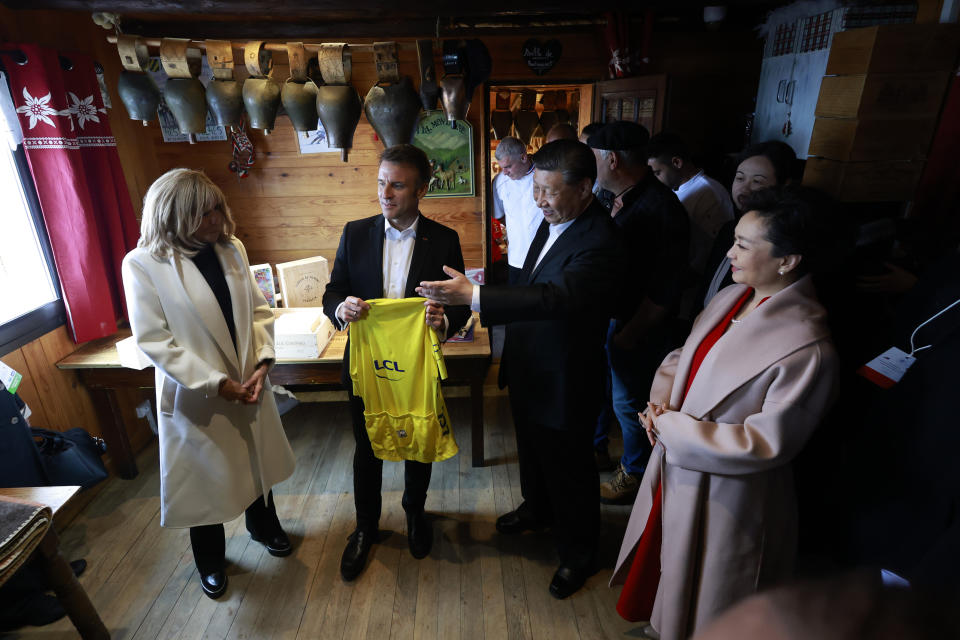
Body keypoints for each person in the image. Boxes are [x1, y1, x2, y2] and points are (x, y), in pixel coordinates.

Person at [611, 186, 839, 640]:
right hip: (681, 459)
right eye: (733, 239)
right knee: (669, 563)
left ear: (788, 261)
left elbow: (765, 442)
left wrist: (672, 426)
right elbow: (686, 356)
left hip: (728, 488)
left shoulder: (808, 346)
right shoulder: (733, 297)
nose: (729, 252)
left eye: (743, 245)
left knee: (711, 586)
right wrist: (660, 405)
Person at [417, 139, 622, 599]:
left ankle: (578, 552)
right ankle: (537, 509)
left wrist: (474, 297)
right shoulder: (557, 221)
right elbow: (528, 281)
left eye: (549, 191)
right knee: (532, 448)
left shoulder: (601, 239)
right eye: (536, 190)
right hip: (531, 362)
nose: (539, 201)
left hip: (566, 374)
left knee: (569, 466)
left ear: (586, 188)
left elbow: (556, 298)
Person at [121, 168, 296, 600]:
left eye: (218, 207)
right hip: (195, 395)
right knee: (205, 482)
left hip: (248, 382)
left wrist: (262, 362)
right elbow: (154, 340)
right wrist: (218, 384)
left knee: (254, 464)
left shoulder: (230, 248)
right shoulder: (143, 265)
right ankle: (211, 559)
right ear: (173, 215)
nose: (217, 219)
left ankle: (263, 525)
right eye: (203, 213)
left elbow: (258, 312)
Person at [322, 144, 470, 582]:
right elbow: (333, 290)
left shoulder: (444, 240)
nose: (385, 192)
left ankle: (414, 513)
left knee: (418, 437)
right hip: (365, 362)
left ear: (422, 189)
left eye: (398, 184)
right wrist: (340, 309)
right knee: (366, 445)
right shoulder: (354, 232)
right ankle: (365, 527)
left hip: (418, 360)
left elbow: (460, 304)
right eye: (381, 182)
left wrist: (445, 319)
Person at [587, 121, 690, 504]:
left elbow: (666, 288)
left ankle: (635, 473)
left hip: (637, 328)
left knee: (630, 404)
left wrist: (628, 333)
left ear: (611, 159)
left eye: (593, 157)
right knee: (606, 394)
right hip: (607, 320)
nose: (590, 164)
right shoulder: (606, 196)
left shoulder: (662, 208)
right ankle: (599, 449)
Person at [700, 141, 797, 308]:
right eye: (739, 178)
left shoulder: (782, 238)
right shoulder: (728, 228)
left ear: (784, 186)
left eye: (757, 181)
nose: (744, 188)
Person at [646, 132, 734, 277]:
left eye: (657, 173)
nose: (654, 180)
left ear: (677, 163)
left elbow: (709, 250)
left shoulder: (708, 192)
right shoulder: (675, 189)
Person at [491, 136, 540, 284]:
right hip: (516, 259)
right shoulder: (499, 181)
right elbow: (498, 216)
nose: (504, 172)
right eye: (501, 167)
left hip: (545, 258)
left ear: (524, 158)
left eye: (508, 166)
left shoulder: (544, 175)